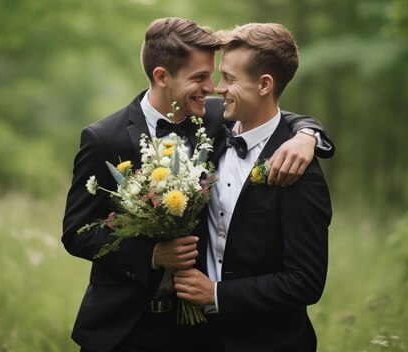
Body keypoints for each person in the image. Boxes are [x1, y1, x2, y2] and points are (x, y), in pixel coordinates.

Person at [62, 18, 333, 352]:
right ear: (161, 76)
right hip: (121, 326)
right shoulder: (104, 138)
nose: (213, 87)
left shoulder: (216, 119)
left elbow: (272, 113)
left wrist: (309, 135)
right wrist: (151, 255)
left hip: (195, 332)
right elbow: (76, 232)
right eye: (200, 77)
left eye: (217, 76)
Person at [173, 23, 332, 352]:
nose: (217, 88)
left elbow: (305, 282)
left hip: (269, 343)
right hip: (198, 340)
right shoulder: (214, 124)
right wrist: (310, 131)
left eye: (230, 79)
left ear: (264, 84)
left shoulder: (299, 171)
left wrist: (216, 294)